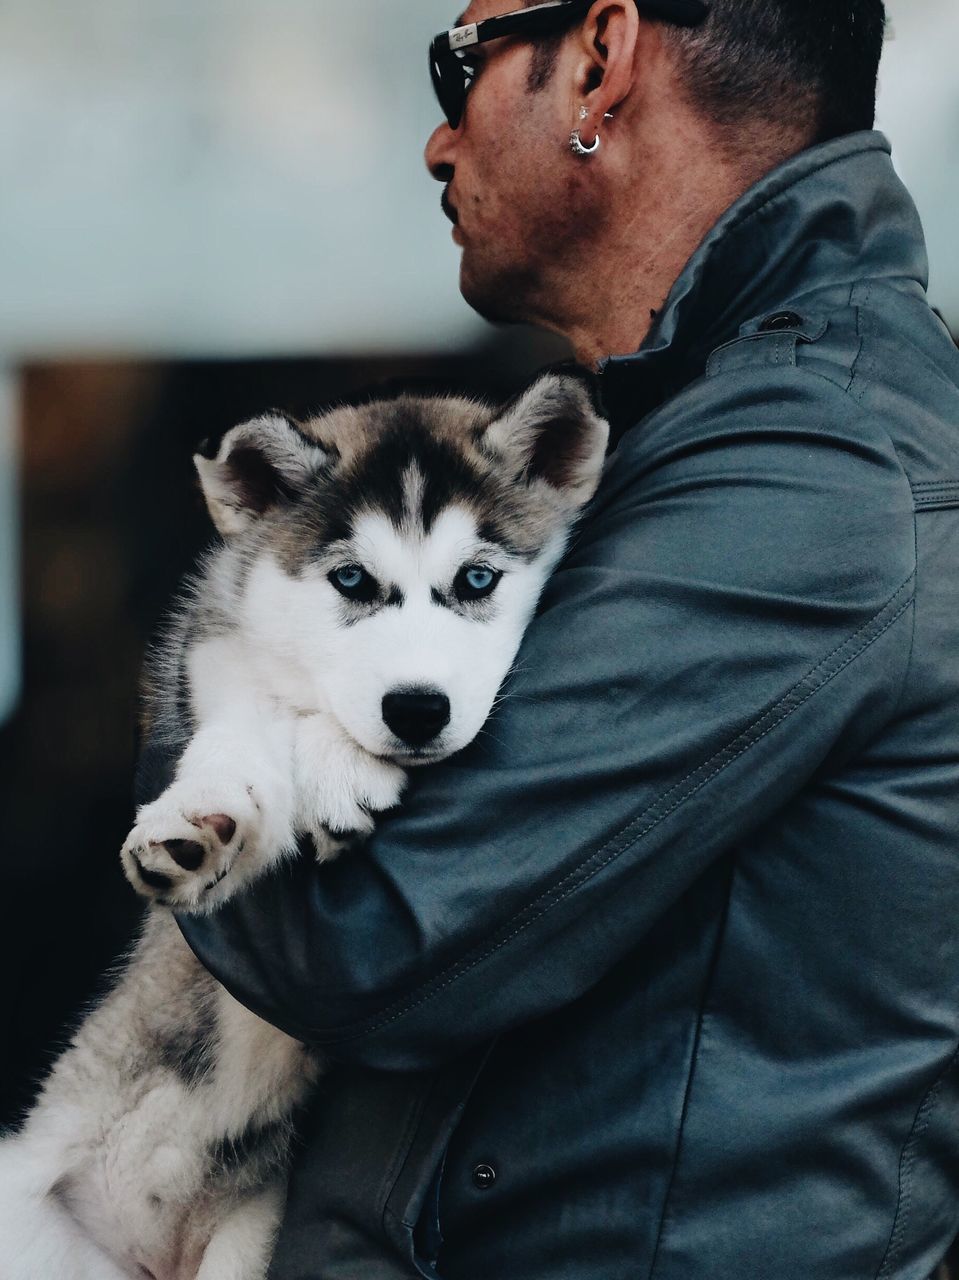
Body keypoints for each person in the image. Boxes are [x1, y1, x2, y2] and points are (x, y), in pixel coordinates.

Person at [148, 0, 959, 1275]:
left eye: (458, 63)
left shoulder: (810, 473)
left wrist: (237, 670)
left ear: (599, 60)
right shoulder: (698, 431)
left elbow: (367, 937)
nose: (433, 139)